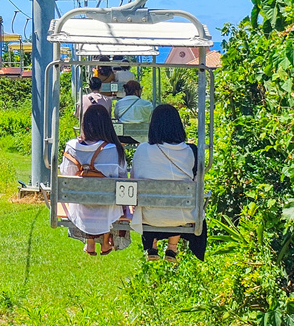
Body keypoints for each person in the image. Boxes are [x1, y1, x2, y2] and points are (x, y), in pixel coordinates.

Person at [131, 104, 207, 263]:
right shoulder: (191, 151)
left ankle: (152, 243)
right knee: (176, 202)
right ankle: (172, 247)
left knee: (151, 201)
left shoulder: (142, 150)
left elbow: (134, 179)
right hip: (183, 215)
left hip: (148, 216)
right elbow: (198, 182)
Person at [59, 104, 127, 256]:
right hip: (108, 209)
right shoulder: (115, 149)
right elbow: (123, 180)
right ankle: (105, 239)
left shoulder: (71, 147)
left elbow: (66, 174)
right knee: (110, 202)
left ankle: (90, 242)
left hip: (79, 208)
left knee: (87, 200)